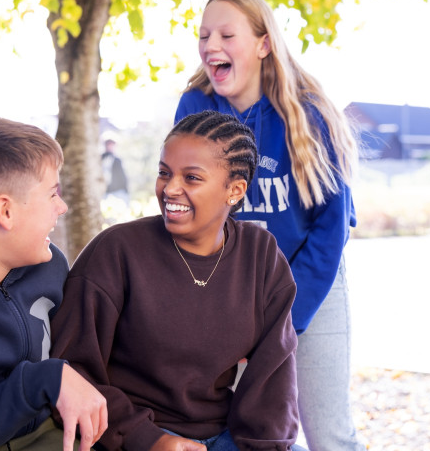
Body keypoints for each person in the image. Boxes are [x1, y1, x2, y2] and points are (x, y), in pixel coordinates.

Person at [174, 0, 363, 451]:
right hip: (229, 291)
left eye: (225, 34)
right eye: (203, 35)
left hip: (308, 282)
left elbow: (331, 226)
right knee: (251, 432)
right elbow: (182, 208)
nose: (209, 44)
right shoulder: (195, 108)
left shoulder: (308, 113)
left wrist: (287, 321)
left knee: (329, 433)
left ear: (262, 44)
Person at [51, 111, 306, 451]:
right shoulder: (116, 251)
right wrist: (147, 439)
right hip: (126, 436)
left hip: (225, 437)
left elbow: (273, 380)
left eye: (192, 178)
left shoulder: (261, 255)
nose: (170, 189)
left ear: (234, 190)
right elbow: (70, 372)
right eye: (164, 173)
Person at [0, 116, 107, 451]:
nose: (62, 207)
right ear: (5, 211)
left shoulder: (50, 265)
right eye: (51, 194)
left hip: (51, 432)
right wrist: (41, 380)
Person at [101, 135, 129, 204]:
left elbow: (122, 176)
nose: (110, 146)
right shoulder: (100, 159)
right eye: (108, 144)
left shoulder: (117, 160)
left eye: (112, 145)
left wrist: (125, 190)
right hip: (104, 191)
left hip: (117, 191)